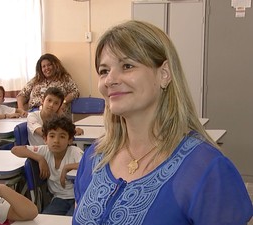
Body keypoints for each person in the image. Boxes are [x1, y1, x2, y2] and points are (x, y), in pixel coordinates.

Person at [73, 20, 253, 225]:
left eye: (127, 66)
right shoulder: (94, 158)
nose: (110, 80)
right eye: (104, 71)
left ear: (164, 74)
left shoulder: (207, 170)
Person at [12, 115, 82, 216]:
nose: (56, 141)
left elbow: (89, 165)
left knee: (72, 221)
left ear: (70, 140)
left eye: (62, 136)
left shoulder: (74, 152)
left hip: (78, 198)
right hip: (59, 198)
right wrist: (40, 158)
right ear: (45, 138)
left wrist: (67, 167)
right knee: (46, 218)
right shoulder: (45, 150)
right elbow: (15, 150)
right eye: (52, 136)